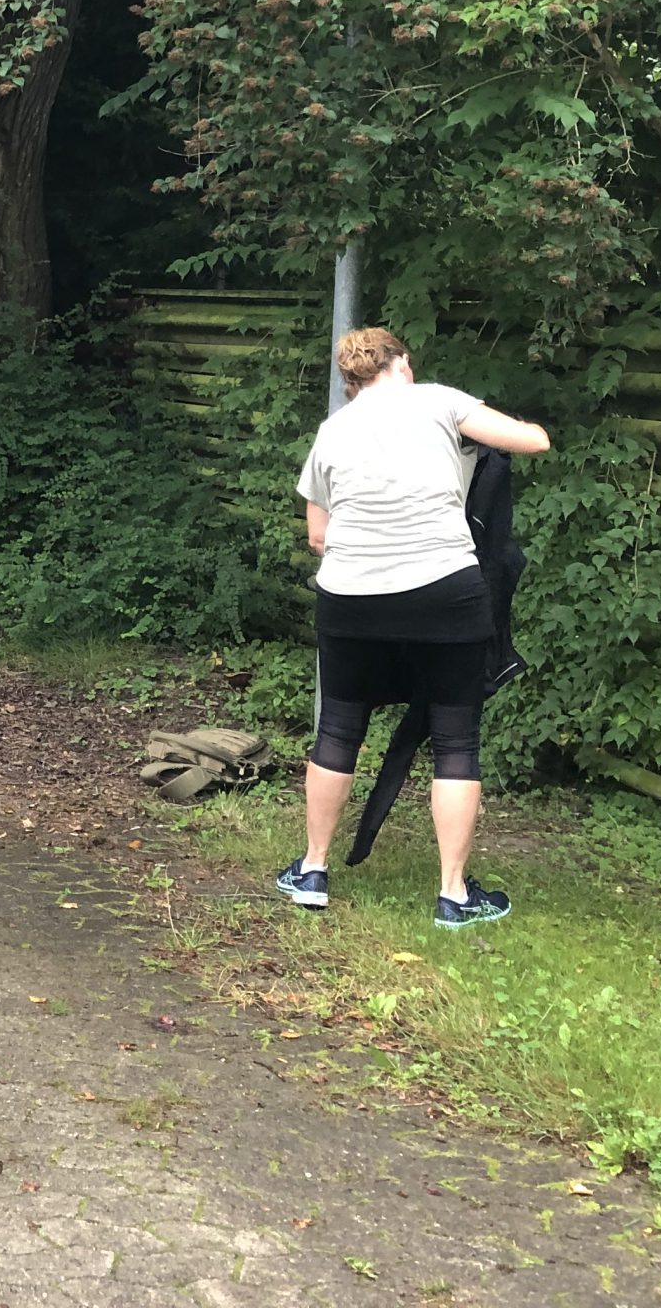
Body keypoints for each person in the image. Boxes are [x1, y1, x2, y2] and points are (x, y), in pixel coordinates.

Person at [282, 327, 550, 930]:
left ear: (352, 380)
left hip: (350, 598)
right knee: (456, 741)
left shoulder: (333, 430)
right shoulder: (439, 400)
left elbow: (318, 536)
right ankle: (453, 895)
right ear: (401, 363)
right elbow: (534, 441)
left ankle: (313, 870)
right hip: (444, 592)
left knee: (339, 728)